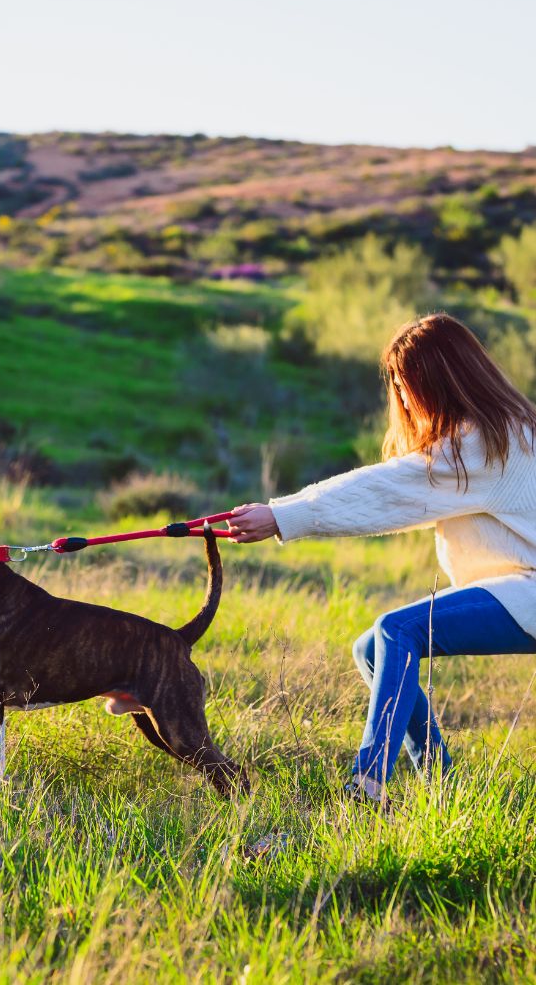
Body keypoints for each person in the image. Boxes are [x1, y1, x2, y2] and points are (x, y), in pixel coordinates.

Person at [227, 313, 536, 803]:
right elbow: (397, 483)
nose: (402, 396)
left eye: (403, 383)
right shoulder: (503, 431)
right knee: (371, 648)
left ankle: (368, 781)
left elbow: (386, 488)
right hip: (518, 591)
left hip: (530, 593)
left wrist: (282, 515)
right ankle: (442, 783)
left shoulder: (485, 443)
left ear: (436, 380)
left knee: (397, 628)